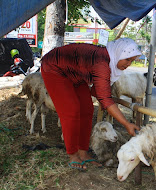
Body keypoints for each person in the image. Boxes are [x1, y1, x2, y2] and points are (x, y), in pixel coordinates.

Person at [41, 38, 142, 170]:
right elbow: (104, 98)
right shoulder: (102, 64)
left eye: (132, 61)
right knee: (72, 110)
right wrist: (126, 123)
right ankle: (73, 155)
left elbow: (98, 92)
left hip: (75, 74)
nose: (129, 64)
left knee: (87, 109)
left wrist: (106, 99)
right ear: (118, 54)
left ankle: (83, 152)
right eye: (127, 59)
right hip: (54, 67)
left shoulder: (108, 61)